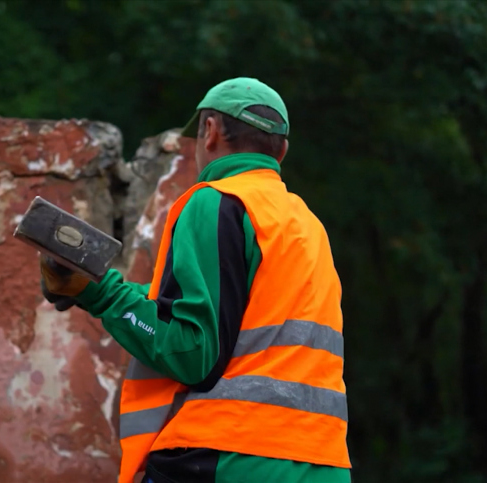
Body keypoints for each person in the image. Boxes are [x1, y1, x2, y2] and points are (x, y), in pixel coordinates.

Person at [39, 77, 351, 483]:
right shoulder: (308, 226)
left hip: (229, 453)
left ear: (210, 131)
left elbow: (193, 354)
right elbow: (237, 333)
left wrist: (104, 298)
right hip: (321, 463)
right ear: (283, 150)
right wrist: (93, 287)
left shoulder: (217, 201)